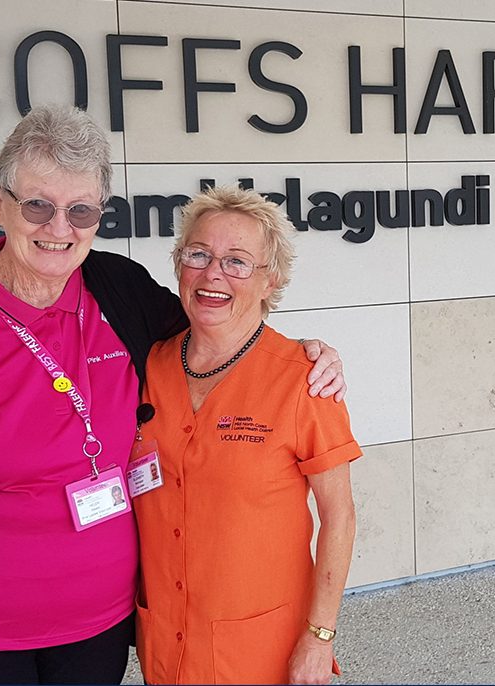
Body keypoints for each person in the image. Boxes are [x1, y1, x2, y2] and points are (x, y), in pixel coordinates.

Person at [0, 104, 347, 685]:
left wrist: (304, 352)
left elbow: (212, 332)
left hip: (102, 625)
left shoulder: (120, 289)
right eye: (37, 205)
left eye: (80, 209)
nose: (59, 228)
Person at [133, 186, 359, 684]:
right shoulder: (149, 364)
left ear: (269, 280)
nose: (213, 274)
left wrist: (319, 637)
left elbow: (338, 517)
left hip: (261, 647)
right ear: (178, 264)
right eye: (198, 254)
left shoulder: (305, 379)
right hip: (167, 639)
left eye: (238, 262)